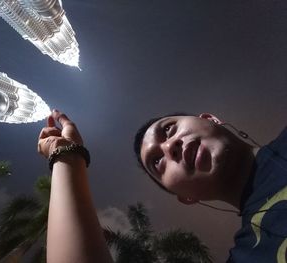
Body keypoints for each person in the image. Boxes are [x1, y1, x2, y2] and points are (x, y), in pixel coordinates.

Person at [38, 109, 287, 263]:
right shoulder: (252, 253)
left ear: (211, 119)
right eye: (157, 161)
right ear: (185, 197)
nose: (170, 147)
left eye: (168, 130)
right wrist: (67, 156)